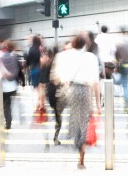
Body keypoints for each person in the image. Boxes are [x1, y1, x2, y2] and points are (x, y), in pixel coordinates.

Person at [53, 34, 101, 169]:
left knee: (74, 118)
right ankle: (81, 157)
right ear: (85, 44)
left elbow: (59, 78)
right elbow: (95, 82)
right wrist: (97, 103)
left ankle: (75, 139)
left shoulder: (65, 56)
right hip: (86, 90)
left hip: (71, 90)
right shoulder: (91, 57)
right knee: (84, 120)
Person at [0, 40, 20, 129]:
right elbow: (17, 71)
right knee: (8, 104)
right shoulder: (14, 57)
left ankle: (7, 122)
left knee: (5, 105)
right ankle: (8, 121)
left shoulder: (0, 58)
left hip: (3, 85)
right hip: (13, 85)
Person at [25, 35, 43, 111]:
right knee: (40, 88)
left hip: (33, 70)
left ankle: (36, 104)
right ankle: (41, 103)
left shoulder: (30, 49)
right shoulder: (40, 49)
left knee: (35, 88)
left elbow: (27, 61)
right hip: (40, 69)